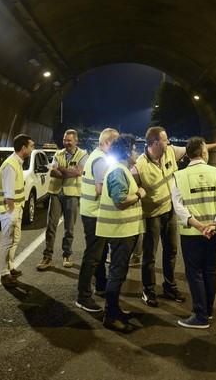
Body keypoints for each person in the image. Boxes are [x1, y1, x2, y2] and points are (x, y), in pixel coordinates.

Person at [132, 126, 216, 307]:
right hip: (152, 215)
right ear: (155, 143)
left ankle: (169, 287)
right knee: (150, 255)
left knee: (171, 251)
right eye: (165, 140)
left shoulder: (170, 152)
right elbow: (133, 190)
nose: (168, 142)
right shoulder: (139, 166)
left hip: (170, 211)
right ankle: (148, 290)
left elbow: (195, 151)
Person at [171, 137, 216, 329]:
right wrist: (214, 224)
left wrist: (198, 226)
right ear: (204, 153)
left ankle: (200, 315)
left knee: (194, 272)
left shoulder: (178, 177)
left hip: (192, 233)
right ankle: (209, 310)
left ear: (187, 155)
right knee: (210, 270)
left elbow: (178, 207)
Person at [96, 134, 145, 332]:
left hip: (124, 230)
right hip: (119, 231)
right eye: (134, 149)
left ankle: (115, 310)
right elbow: (120, 200)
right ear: (126, 151)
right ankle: (110, 315)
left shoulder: (122, 169)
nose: (137, 153)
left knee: (119, 272)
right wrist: (140, 193)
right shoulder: (118, 171)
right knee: (116, 274)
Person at [75, 128, 119, 313]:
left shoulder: (95, 155)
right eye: (116, 144)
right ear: (108, 142)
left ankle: (101, 286)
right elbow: (101, 190)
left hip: (90, 211)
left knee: (99, 254)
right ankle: (83, 296)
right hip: (94, 213)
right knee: (93, 256)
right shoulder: (101, 160)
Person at [37, 129, 88, 270]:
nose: (66, 142)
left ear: (76, 141)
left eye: (69, 140)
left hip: (72, 194)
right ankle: (47, 257)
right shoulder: (57, 154)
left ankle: (67, 255)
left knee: (69, 227)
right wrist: (66, 172)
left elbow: (78, 172)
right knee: (51, 226)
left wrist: (60, 169)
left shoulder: (83, 155)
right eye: (65, 140)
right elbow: (52, 172)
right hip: (56, 193)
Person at [0, 134, 34, 287]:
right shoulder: (11, 165)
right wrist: (12, 214)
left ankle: (10, 267)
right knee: (6, 241)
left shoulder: (17, 162)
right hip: (8, 210)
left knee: (15, 239)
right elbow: (9, 194)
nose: (32, 148)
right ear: (23, 148)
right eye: (31, 146)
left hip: (16, 208)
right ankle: (4, 273)